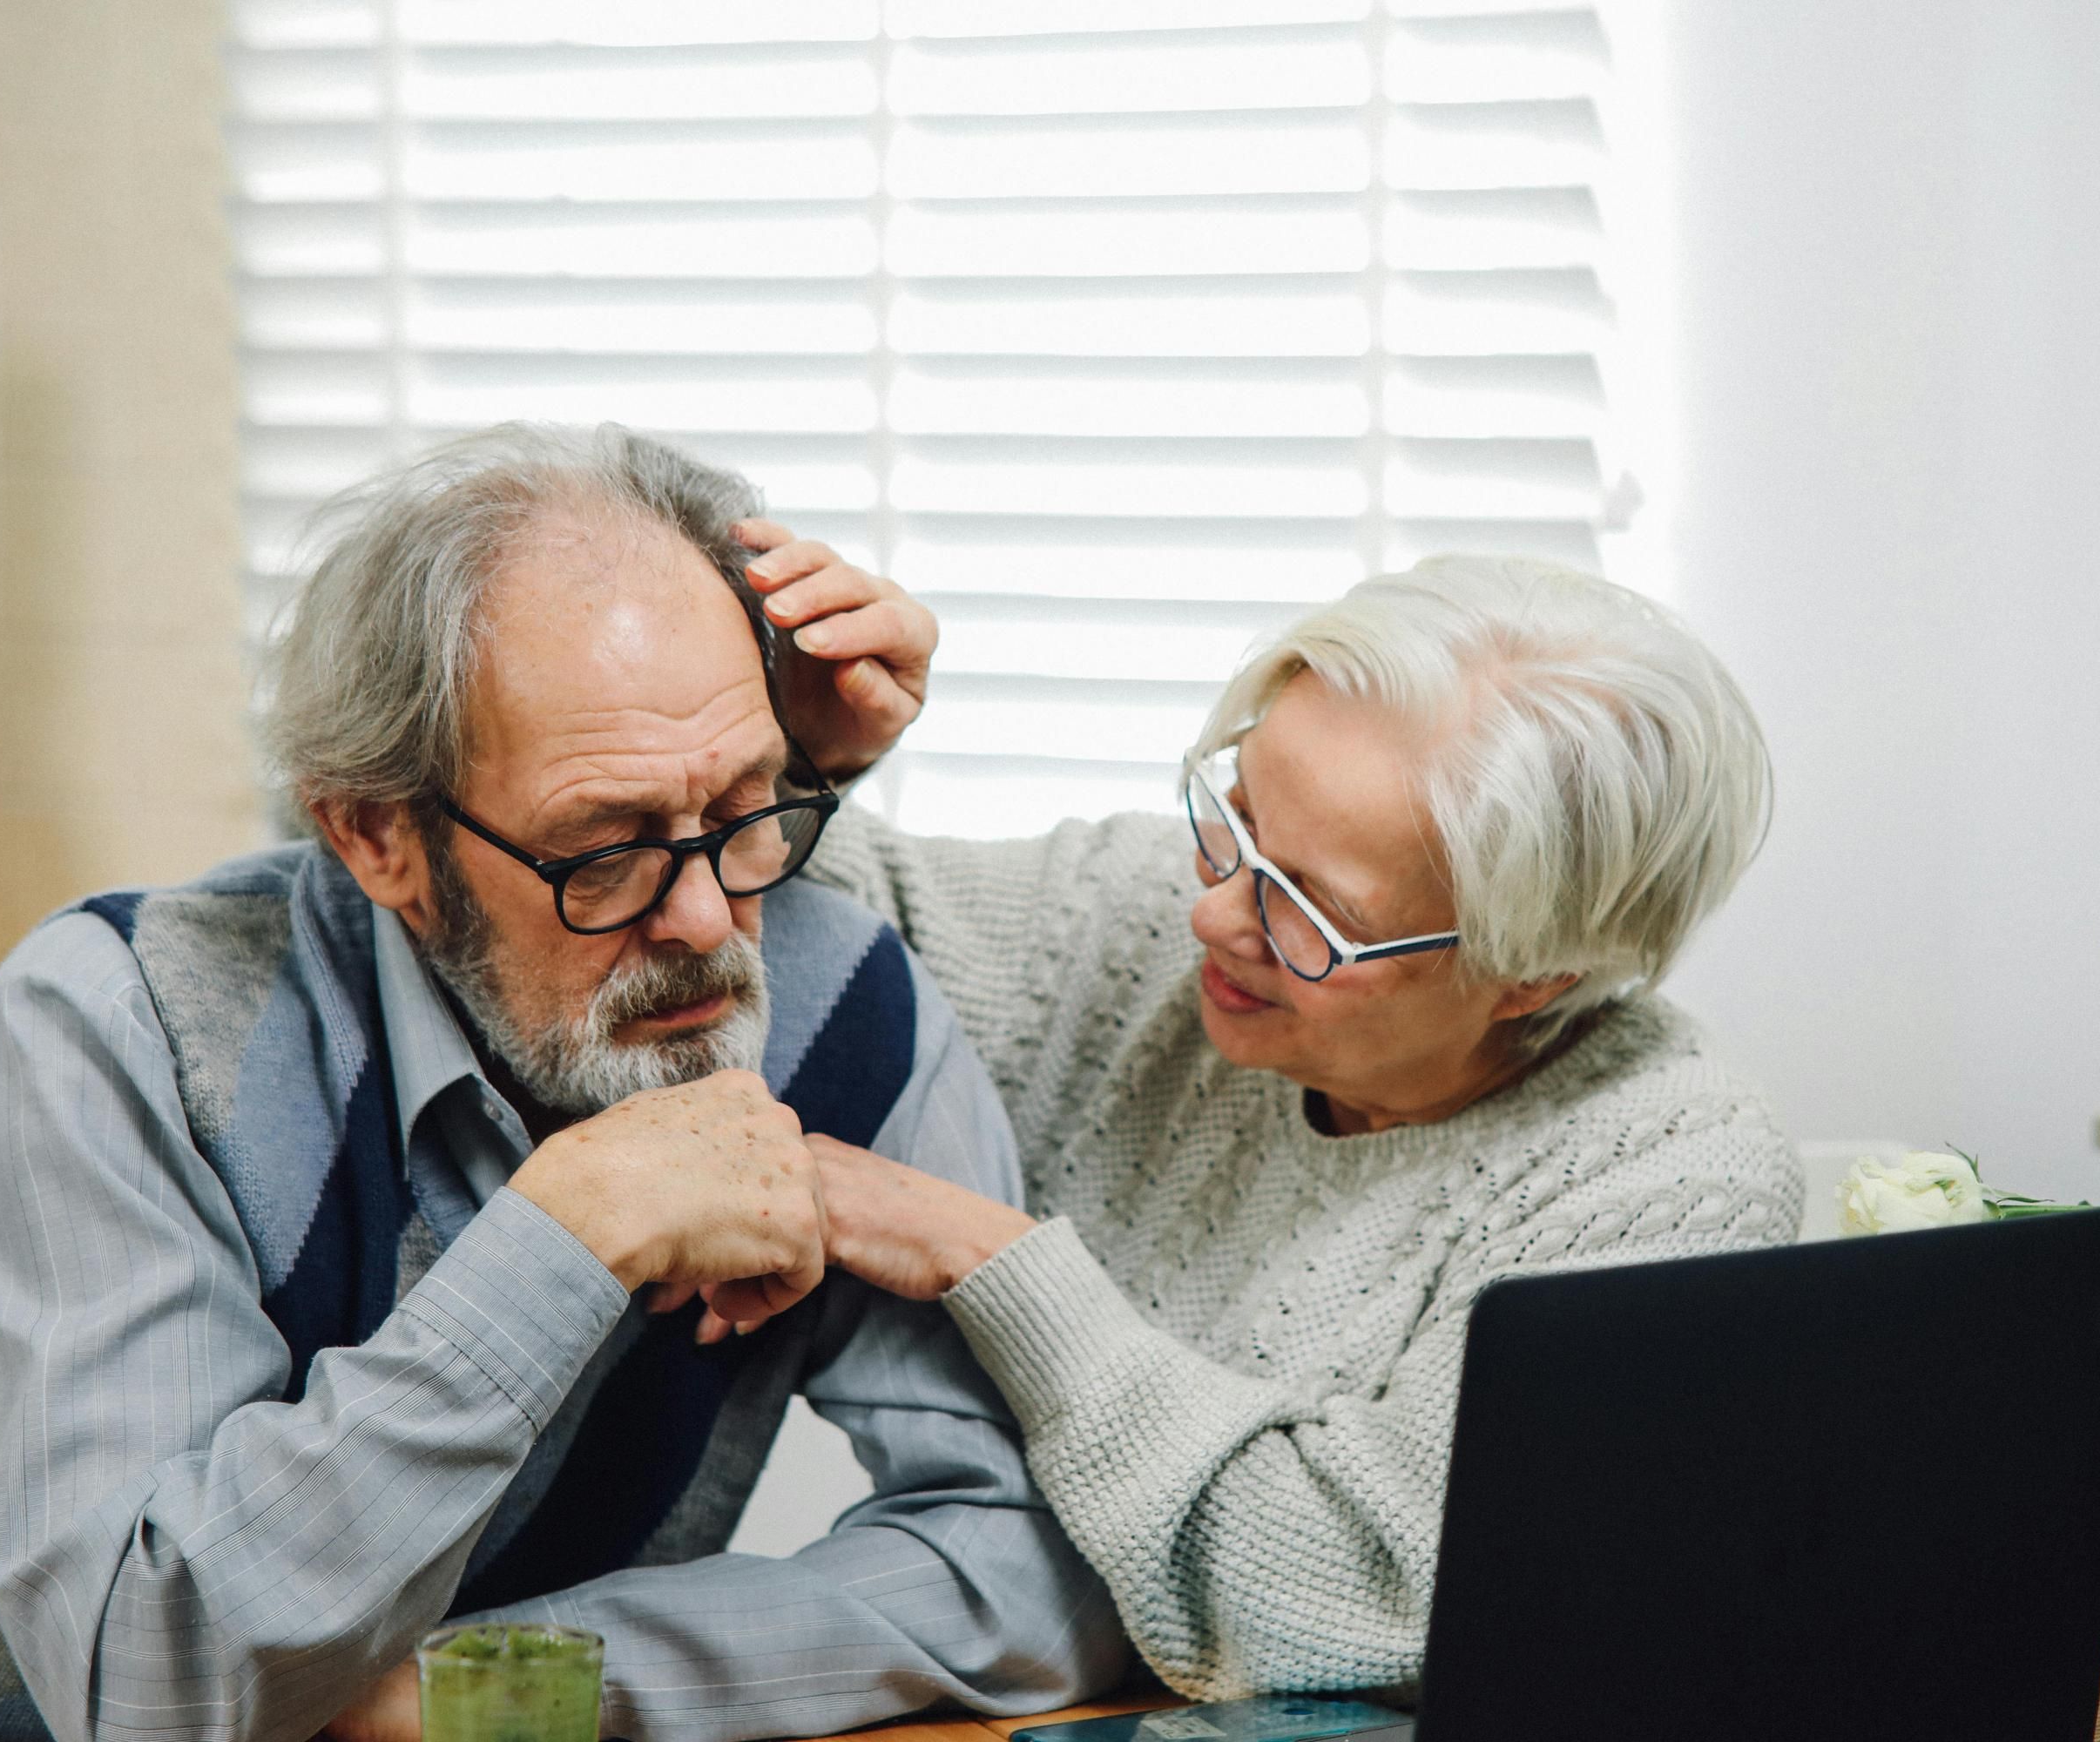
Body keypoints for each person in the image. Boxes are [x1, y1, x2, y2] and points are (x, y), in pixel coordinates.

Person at [0, 424, 1128, 1742]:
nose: (712, 920)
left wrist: (511, 1691)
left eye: (747, 804)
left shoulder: (831, 994)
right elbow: (148, 1680)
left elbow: (1037, 1556)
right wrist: (570, 1235)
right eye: (605, 847)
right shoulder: (113, 1024)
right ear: (379, 836)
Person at [739, 551, 1803, 1702]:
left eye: (1314, 912)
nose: (1210, 910)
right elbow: (826, 947)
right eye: (1234, 817)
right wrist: (793, 765)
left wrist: (992, 1262)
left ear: (1532, 973)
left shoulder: (1666, 1183)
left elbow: (1359, 1604)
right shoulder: (1157, 916)